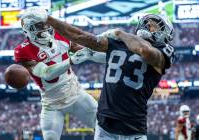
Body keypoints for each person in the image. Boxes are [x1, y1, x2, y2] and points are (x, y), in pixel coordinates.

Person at [28, 7, 175, 140]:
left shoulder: (164, 50)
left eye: (155, 24)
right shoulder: (120, 43)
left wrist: (119, 33)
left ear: (165, 34)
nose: (148, 25)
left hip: (134, 129)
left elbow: (145, 51)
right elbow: (80, 36)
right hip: (105, 127)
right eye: (147, 22)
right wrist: (49, 19)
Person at [14, 8, 106, 140]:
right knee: (51, 138)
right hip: (52, 105)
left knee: (104, 128)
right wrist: (72, 60)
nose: (45, 27)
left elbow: (89, 54)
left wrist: (112, 57)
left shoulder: (59, 35)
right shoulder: (23, 51)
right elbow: (46, 73)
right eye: (40, 25)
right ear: (29, 29)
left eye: (45, 23)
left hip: (76, 94)